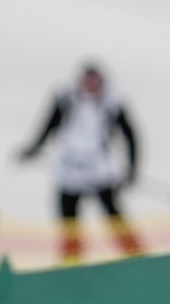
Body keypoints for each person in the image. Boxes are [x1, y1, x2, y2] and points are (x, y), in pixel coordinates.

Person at [17, 62, 142, 263]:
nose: (91, 85)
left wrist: (132, 169)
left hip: (99, 169)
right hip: (70, 169)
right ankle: (71, 261)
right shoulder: (67, 99)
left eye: (95, 81)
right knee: (69, 221)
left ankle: (136, 255)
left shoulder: (112, 102)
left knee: (114, 215)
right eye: (88, 80)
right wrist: (32, 150)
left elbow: (130, 136)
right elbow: (48, 126)